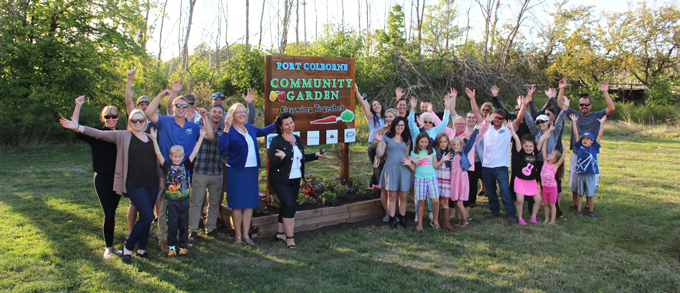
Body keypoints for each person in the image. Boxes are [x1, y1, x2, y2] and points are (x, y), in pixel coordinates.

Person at [60, 109, 162, 264]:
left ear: (145, 122)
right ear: (130, 123)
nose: (138, 123)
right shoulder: (123, 135)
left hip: (152, 183)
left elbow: (157, 160)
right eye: (134, 121)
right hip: (134, 184)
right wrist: (79, 127)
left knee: (146, 218)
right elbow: (98, 134)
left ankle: (142, 249)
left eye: (141, 120)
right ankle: (128, 247)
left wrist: (161, 180)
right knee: (147, 215)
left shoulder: (151, 137)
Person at [146, 88, 212, 253]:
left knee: (181, 210)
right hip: (165, 171)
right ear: (174, 106)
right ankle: (164, 240)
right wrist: (162, 94)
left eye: (185, 106)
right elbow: (148, 112)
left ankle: (179, 239)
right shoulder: (164, 121)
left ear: (189, 108)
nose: (181, 109)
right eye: (178, 106)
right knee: (163, 209)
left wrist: (205, 117)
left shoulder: (192, 126)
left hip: (184, 174)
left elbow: (209, 135)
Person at [190, 92, 255, 241]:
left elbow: (248, 123)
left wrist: (249, 105)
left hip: (217, 171)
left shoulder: (228, 129)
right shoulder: (201, 124)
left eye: (220, 112)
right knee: (196, 202)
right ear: (210, 111)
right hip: (200, 169)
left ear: (223, 113)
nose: (217, 115)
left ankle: (211, 228)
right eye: (214, 112)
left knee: (214, 202)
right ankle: (193, 229)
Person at [66, 95, 122, 259]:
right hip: (102, 178)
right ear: (103, 118)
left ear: (118, 118)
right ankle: (108, 247)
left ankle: (111, 246)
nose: (110, 119)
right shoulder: (96, 134)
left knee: (113, 212)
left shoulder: (122, 135)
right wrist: (78, 105)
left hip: (117, 178)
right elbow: (75, 127)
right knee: (109, 213)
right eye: (107, 117)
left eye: (113, 116)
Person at [218, 98, 276, 245]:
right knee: (237, 204)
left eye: (244, 112)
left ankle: (246, 235)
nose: (243, 114)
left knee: (249, 203)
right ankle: (237, 236)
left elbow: (263, 131)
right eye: (240, 112)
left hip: (251, 171)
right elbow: (223, 147)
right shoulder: (229, 130)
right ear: (232, 115)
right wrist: (225, 127)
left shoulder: (249, 128)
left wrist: (278, 122)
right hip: (237, 171)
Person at [269, 113, 326, 249]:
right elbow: (273, 163)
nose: (290, 126)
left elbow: (300, 158)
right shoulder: (276, 141)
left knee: (286, 205)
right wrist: (281, 158)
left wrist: (316, 155)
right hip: (280, 180)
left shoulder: (297, 139)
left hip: (295, 179)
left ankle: (280, 233)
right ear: (281, 127)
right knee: (289, 206)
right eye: (286, 124)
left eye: (291, 122)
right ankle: (290, 238)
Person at [151, 127, 205, 256]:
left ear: (183, 156)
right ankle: (171, 246)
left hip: (184, 200)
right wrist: (154, 139)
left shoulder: (185, 165)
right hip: (172, 201)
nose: (177, 158)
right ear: (170, 157)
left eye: (179, 156)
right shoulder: (167, 166)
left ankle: (182, 245)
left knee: (183, 222)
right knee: (172, 223)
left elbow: (195, 151)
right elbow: (158, 153)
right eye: (175, 156)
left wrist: (201, 137)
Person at [565, 80, 615, 211]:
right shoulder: (575, 115)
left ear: (591, 106)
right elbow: (560, 105)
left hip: (591, 155)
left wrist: (605, 92)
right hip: (577, 153)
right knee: (575, 181)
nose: (583, 107)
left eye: (586, 105)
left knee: (590, 181)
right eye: (581, 105)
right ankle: (575, 204)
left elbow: (611, 108)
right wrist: (562, 88)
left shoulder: (597, 116)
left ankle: (588, 205)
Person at [481, 107, 525, 224]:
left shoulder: (507, 130)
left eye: (500, 118)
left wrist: (524, 105)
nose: (497, 120)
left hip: (501, 167)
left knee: (505, 191)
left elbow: (519, 118)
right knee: (490, 191)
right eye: (495, 117)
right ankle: (494, 211)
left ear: (503, 119)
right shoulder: (486, 128)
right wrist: (472, 99)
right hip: (487, 166)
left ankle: (511, 215)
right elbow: (476, 114)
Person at [375, 116, 412, 229]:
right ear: (394, 126)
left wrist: (412, 160)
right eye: (398, 125)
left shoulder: (407, 139)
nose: (400, 127)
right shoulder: (387, 138)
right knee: (392, 196)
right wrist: (380, 141)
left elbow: (407, 154)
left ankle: (402, 217)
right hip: (391, 169)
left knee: (404, 196)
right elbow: (380, 154)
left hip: (403, 169)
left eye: (402, 125)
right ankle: (392, 218)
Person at [569, 114, 607, 218]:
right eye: (583, 138)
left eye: (587, 138)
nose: (584, 140)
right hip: (581, 174)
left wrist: (602, 124)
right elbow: (576, 134)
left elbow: (599, 135)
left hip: (590, 174)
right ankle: (579, 211)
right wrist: (574, 122)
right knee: (580, 193)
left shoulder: (594, 148)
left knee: (590, 194)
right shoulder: (579, 147)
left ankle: (591, 211)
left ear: (592, 141)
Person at [404, 132, 442, 231]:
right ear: (418, 142)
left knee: (435, 200)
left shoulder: (432, 151)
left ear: (428, 142)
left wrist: (443, 161)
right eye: (421, 142)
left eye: (426, 142)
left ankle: (435, 220)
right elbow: (413, 169)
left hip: (432, 178)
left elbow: (435, 165)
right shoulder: (414, 152)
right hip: (420, 178)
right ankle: (420, 223)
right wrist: (409, 163)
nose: (423, 144)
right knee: (421, 201)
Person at [508, 127, 542, 225]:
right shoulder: (520, 151)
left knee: (538, 200)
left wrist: (549, 130)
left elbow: (542, 139)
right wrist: (511, 129)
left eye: (530, 146)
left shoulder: (535, 152)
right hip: (520, 180)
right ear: (523, 146)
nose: (528, 148)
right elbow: (516, 139)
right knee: (519, 200)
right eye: (526, 146)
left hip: (531, 181)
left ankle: (533, 217)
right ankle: (520, 218)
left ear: (533, 146)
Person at [369, 108, 398, 222]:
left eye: (391, 116)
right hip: (381, 163)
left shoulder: (399, 129)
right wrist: (382, 138)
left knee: (395, 190)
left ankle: (395, 213)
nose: (388, 119)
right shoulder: (381, 130)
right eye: (386, 117)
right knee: (384, 190)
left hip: (394, 164)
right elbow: (372, 145)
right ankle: (387, 213)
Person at [355, 85, 385, 189]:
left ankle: (373, 187)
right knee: (376, 167)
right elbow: (363, 105)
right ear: (372, 108)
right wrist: (357, 91)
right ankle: (376, 187)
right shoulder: (371, 118)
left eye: (378, 104)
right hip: (374, 146)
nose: (377, 106)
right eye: (374, 105)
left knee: (380, 167)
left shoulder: (384, 118)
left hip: (383, 145)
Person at [538, 125, 568, 224]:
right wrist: (545, 140)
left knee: (552, 204)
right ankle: (546, 219)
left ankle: (552, 220)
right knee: (546, 204)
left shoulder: (555, 166)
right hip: (545, 187)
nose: (549, 155)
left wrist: (565, 148)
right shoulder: (545, 162)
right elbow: (544, 150)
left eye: (551, 155)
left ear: (555, 160)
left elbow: (562, 158)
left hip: (552, 188)